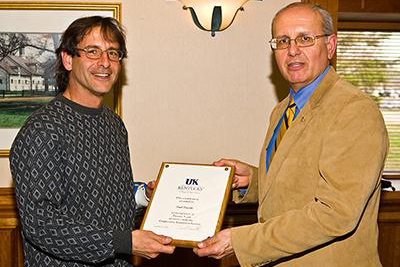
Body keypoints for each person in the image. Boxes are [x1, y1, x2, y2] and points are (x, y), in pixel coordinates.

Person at [194, 3, 388, 267]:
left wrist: (242, 240)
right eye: (283, 41)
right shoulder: (282, 110)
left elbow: (336, 213)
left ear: (330, 46)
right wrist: (253, 180)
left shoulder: (354, 111)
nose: (293, 50)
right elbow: (300, 185)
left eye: (305, 39)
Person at [9, 16, 175, 266]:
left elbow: (103, 201)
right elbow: (41, 224)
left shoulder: (114, 125)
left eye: (113, 53)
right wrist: (124, 243)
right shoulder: (43, 129)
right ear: (67, 59)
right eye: (92, 51)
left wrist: (145, 197)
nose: (105, 63)